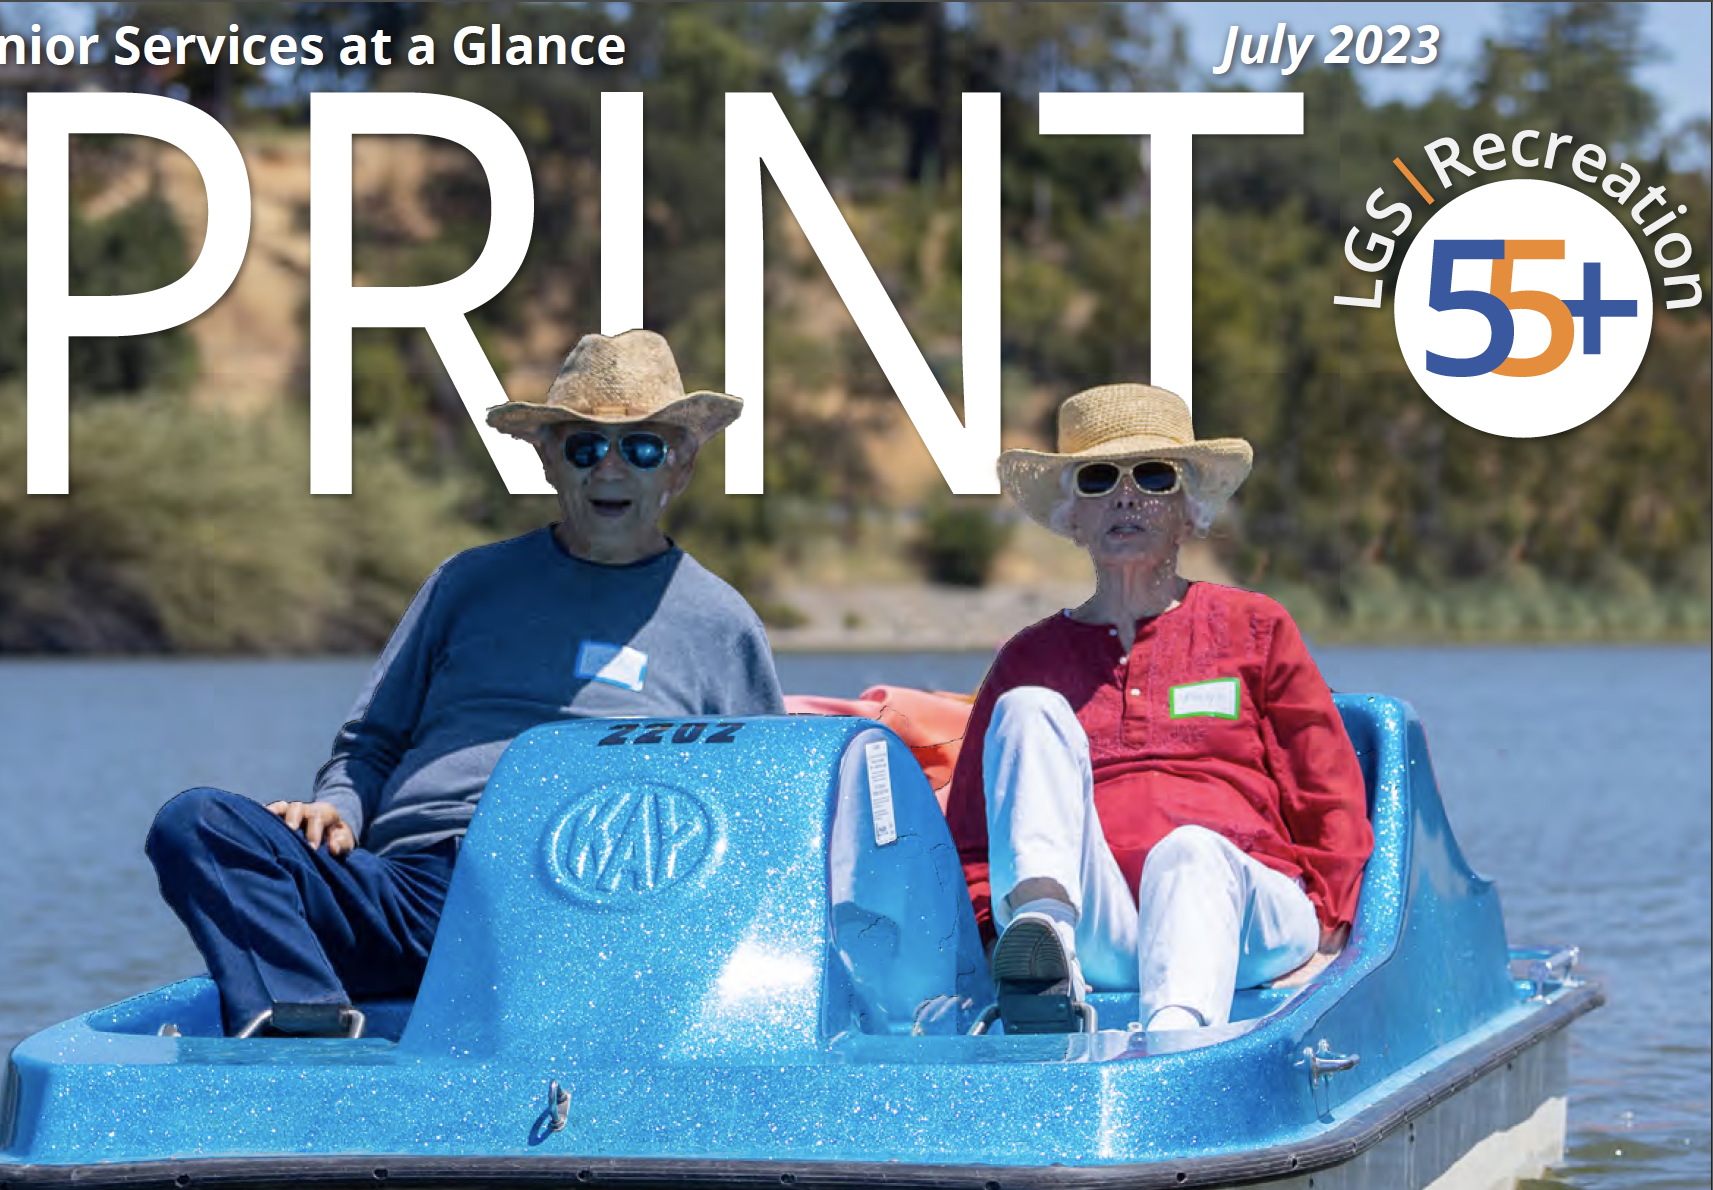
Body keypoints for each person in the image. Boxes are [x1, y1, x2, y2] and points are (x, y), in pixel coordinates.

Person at [146, 330, 786, 1037]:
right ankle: (309, 1034)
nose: (610, 469)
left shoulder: (722, 624)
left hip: (581, 915)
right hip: (409, 893)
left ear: (680, 466)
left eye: (640, 448)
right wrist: (337, 812)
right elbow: (370, 742)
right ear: (548, 461)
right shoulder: (466, 583)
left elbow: (765, 823)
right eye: (583, 447)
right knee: (196, 823)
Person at [945, 384, 1373, 1035]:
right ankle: (1043, 954)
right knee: (1029, 708)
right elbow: (973, 836)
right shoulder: (1027, 658)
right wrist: (985, 930)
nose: (1125, 495)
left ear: (1188, 509)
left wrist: (1333, 931)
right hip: (1102, 928)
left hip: (1250, 914)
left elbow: (1328, 790)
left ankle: (1174, 1051)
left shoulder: (1255, 627)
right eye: (1097, 479)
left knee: (1190, 854)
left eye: (1152, 475)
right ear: (1073, 517)